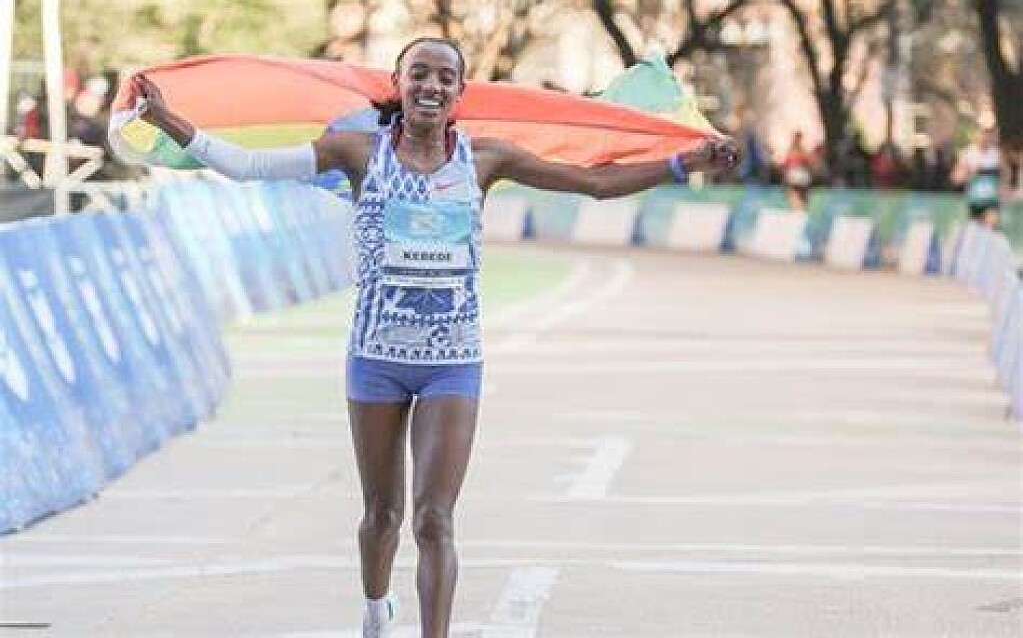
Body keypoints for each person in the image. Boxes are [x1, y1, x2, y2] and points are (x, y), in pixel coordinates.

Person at [131, 37, 738, 638]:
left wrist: (683, 163)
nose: (432, 85)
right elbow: (248, 166)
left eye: (446, 77)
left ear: (459, 92)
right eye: (419, 73)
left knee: (434, 520)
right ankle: (376, 612)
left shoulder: (487, 158)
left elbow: (593, 184)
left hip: (453, 362)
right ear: (397, 85)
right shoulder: (358, 152)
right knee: (382, 515)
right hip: (376, 360)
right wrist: (166, 120)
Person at [952, 125, 1005, 228]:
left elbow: (1005, 176)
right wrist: (970, 173)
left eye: (989, 133)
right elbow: (956, 178)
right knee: (974, 230)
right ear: (977, 133)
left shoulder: (997, 154)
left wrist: (1003, 189)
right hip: (974, 201)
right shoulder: (967, 153)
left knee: (989, 227)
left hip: (991, 201)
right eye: (984, 132)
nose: (986, 136)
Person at [781, 131, 813, 211]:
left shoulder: (797, 151)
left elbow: (786, 164)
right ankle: (800, 207)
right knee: (798, 193)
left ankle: (799, 207)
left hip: (798, 174)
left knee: (796, 192)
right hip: (799, 174)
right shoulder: (799, 151)